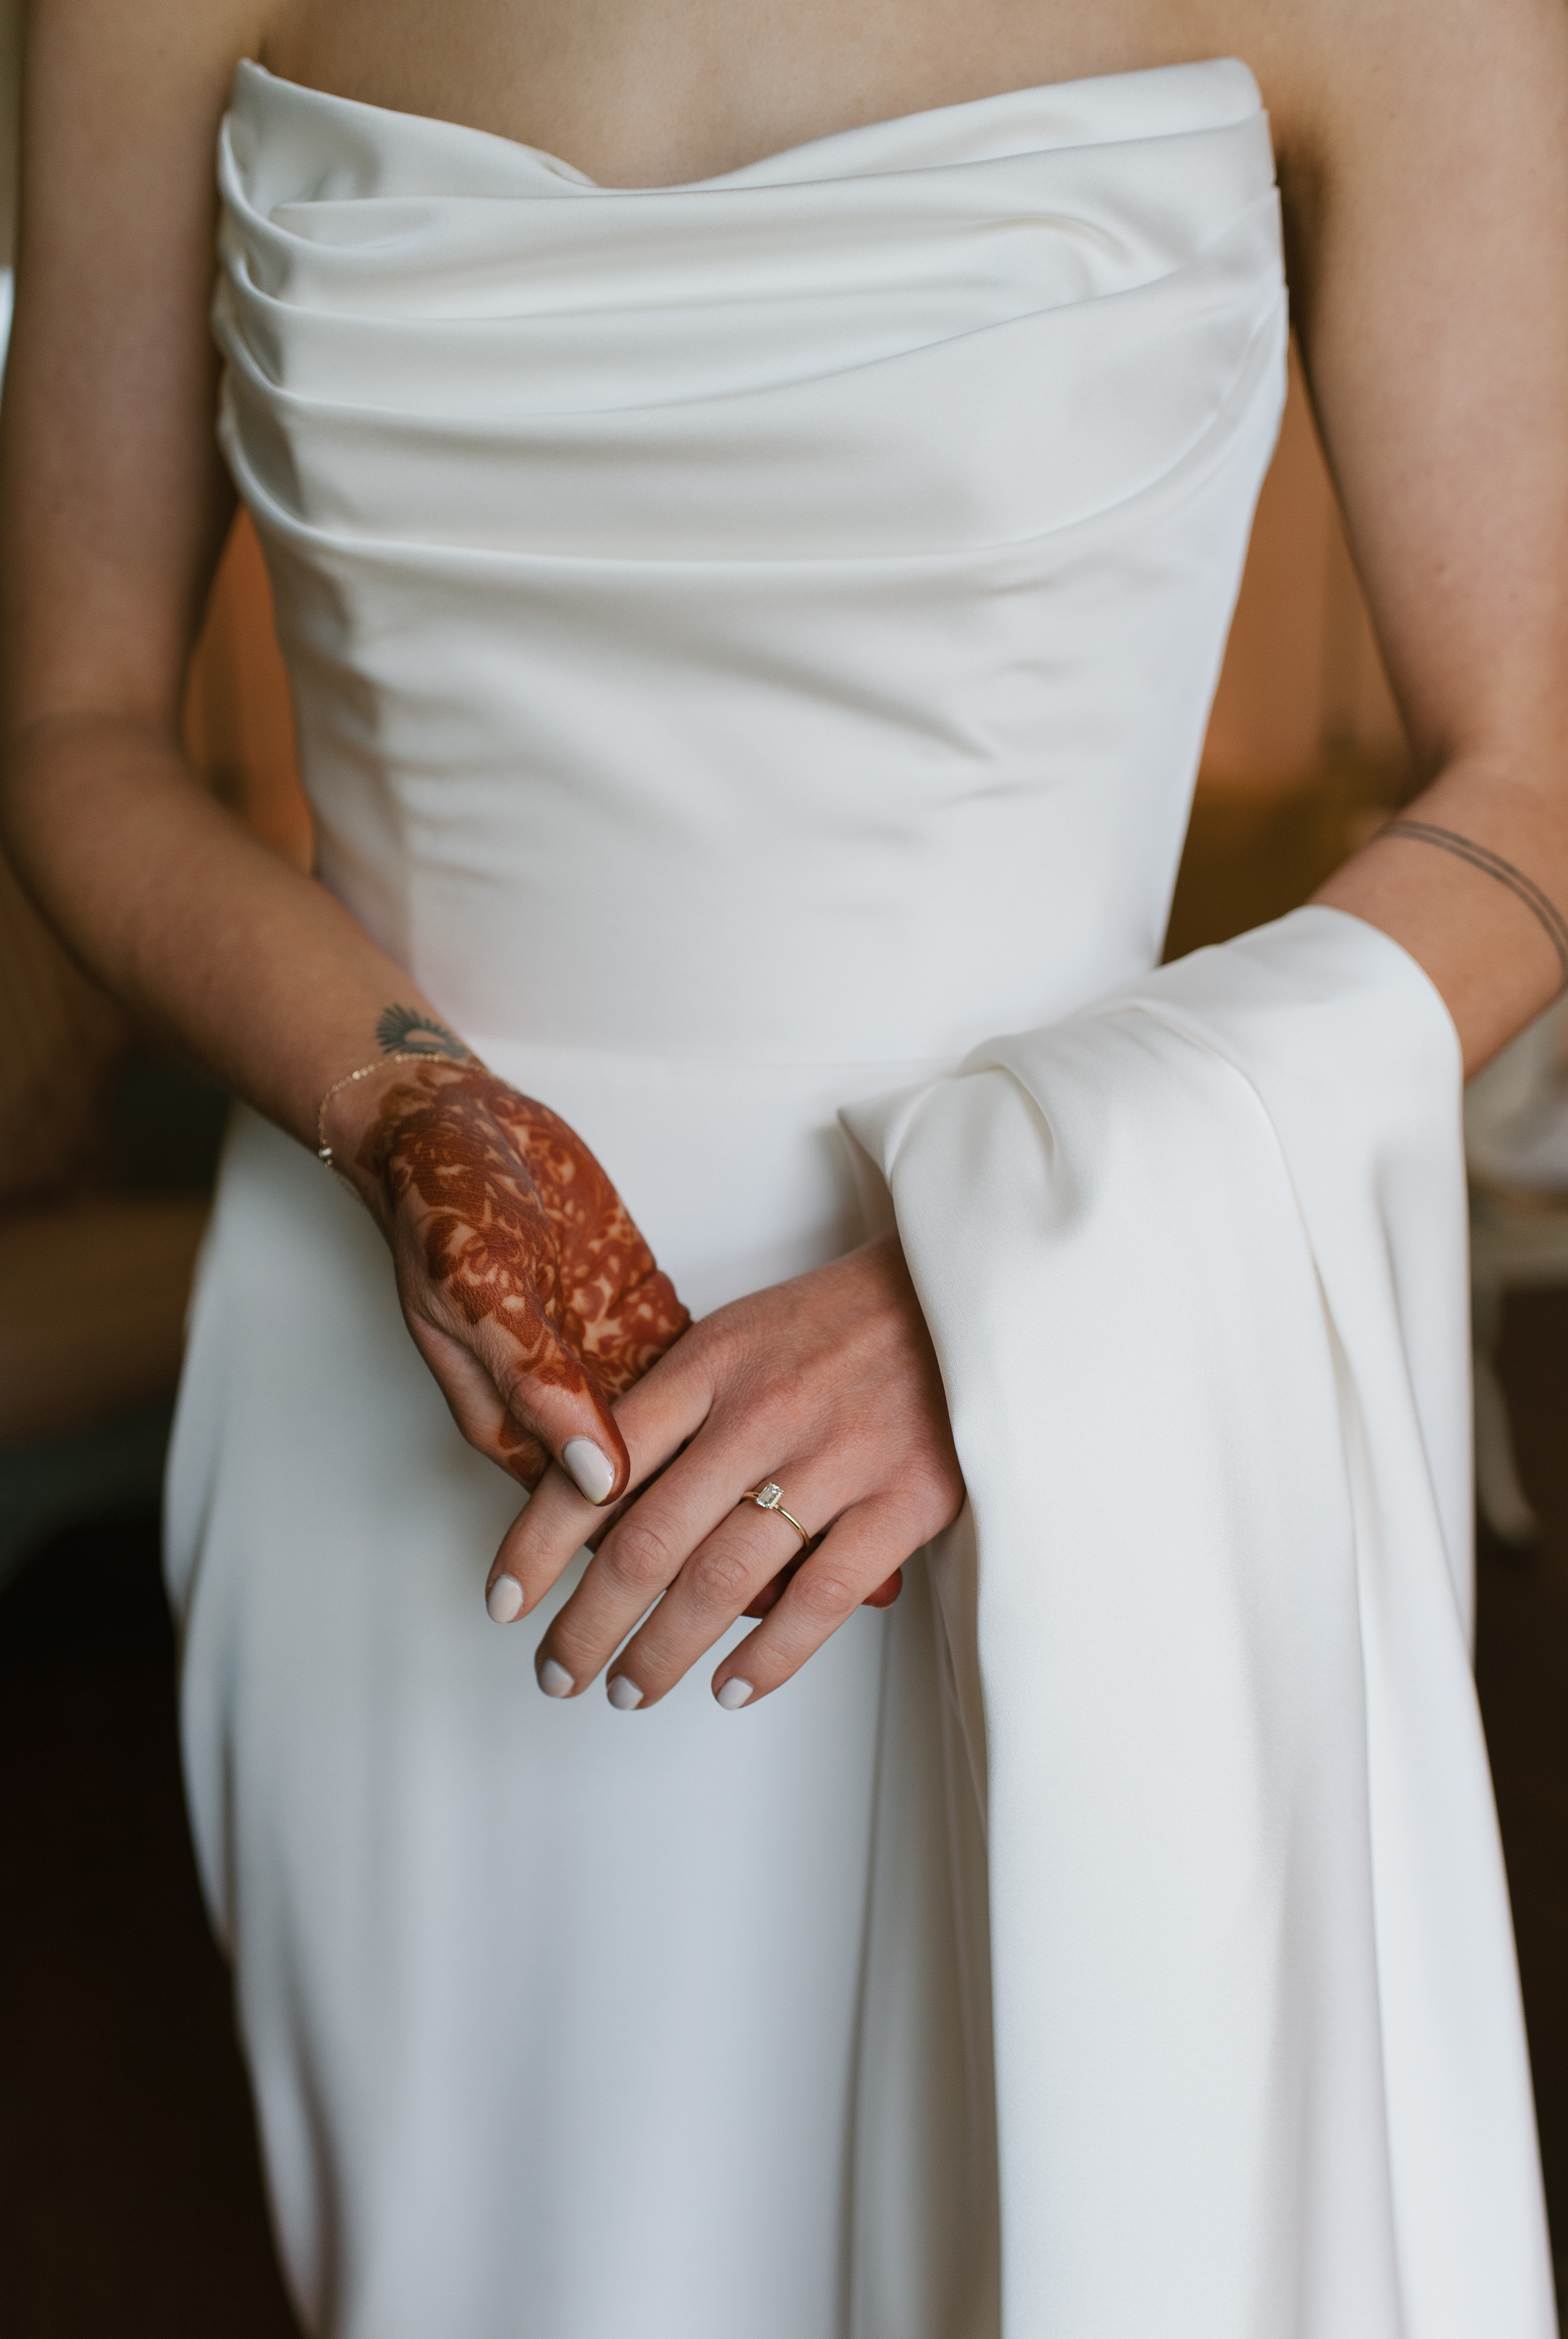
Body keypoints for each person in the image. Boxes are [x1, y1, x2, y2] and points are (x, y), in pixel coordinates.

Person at [2, 0, 1564, 2331]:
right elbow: (74, 722)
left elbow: (1527, 782)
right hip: (422, 1414)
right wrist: (418, 1114)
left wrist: (1006, 1298)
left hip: (1074, 1412)